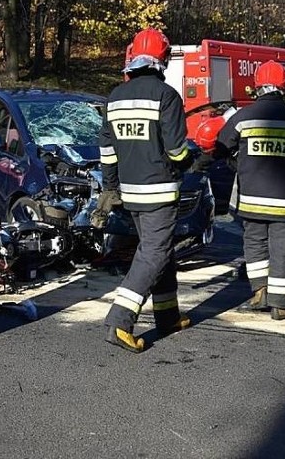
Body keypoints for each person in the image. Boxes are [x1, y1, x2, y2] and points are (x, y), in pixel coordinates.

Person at [98, 27, 192, 353]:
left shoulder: (114, 97)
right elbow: (178, 152)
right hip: (160, 193)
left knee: (160, 251)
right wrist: (192, 157)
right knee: (153, 253)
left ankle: (167, 316)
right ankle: (119, 321)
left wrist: (111, 189)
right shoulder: (166, 96)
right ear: (162, 58)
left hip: (131, 193)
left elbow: (107, 151)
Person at [215, 61, 285, 320]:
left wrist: (236, 162)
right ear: (284, 86)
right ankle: (281, 304)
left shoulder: (243, 116)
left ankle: (259, 291)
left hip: (250, 199)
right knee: (282, 246)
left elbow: (222, 146)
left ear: (257, 86)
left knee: (255, 243)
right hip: (282, 199)